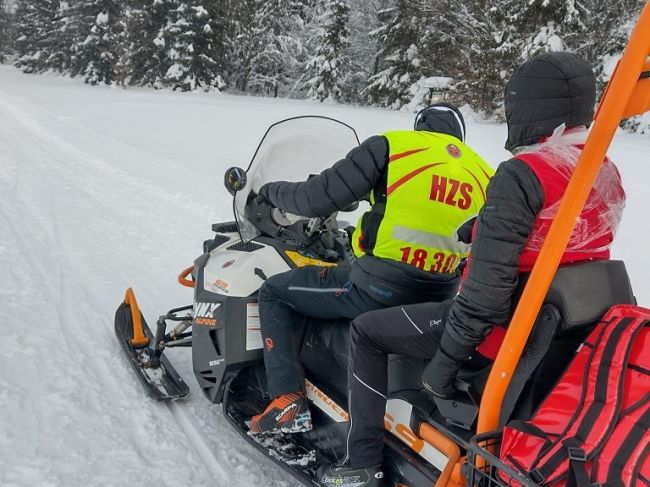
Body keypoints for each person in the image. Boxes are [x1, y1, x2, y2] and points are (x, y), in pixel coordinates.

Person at [317, 52, 626, 487]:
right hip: (555, 327)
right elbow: (566, 235)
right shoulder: (601, 169)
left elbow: (483, 297)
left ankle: (362, 461)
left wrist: (442, 370)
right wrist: (486, 225)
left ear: (529, 106)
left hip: (500, 331)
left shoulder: (523, 173)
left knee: (367, 330)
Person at [248, 103, 494, 434]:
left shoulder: (395, 147)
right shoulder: (485, 174)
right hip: (437, 299)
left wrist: (269, 192)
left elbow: (315, 198)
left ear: (420, 127)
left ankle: (287, 401)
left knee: (275, 292)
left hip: (377, 290)